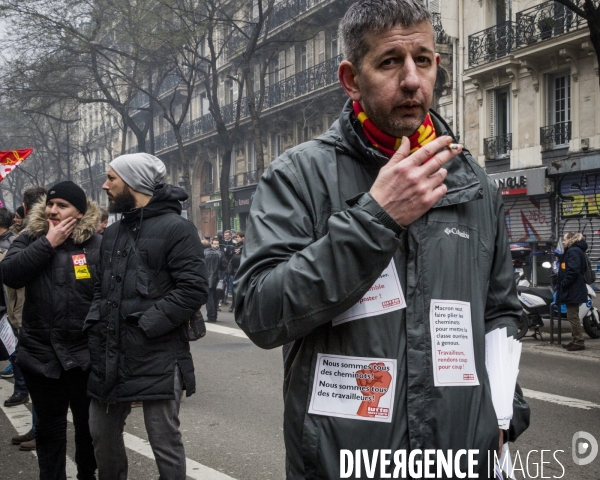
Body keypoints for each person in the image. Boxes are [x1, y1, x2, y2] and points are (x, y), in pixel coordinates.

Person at [234, 1, 528, 477]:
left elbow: (499, 312)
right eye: (390, 62)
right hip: (345, 460)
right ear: (351, 78)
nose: (412, 80)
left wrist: (503, 412)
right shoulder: (299, 174)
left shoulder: (472, 181)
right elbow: (259, 311)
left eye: (424, 60)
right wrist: (378, 217)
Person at [85, 152, 207, 480]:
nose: (105, 185)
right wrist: (94, 322)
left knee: (163, 441)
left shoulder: (178, 229)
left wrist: (146, 324)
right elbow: (101, 288)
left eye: (112, 178)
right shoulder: (112, 233)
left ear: (134, 182)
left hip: (159, 355)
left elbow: (193, 290)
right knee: (101, 432)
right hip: (111, 354)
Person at [2, 181, 101, 479]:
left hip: (84, 357)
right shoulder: (30, 237)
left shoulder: (97, 245)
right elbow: (10, 274)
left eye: (62, 206)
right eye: (50, 204)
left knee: (88, 431)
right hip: (40, 356)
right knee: (49, 432)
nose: (53, 211)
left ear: (79, 212)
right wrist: (48, 243)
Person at [4, 186, 48, 451]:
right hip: (24, 315)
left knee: (40, 379)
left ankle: (40, 430)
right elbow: (10, 272)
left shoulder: (39, 236)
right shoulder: (27, 237)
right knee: (36, 377)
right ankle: (37, 429)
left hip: (31, 316)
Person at [557, 232, 589, 351]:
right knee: (572, 315)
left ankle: (579, 342)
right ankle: (575, 340)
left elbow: (573, 270)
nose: (563, 242)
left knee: (572, 316)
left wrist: (564, 282)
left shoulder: (574, 251)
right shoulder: (575, 250)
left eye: (564, 240)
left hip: (573, 288)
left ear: (570, 239)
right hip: (573, 288)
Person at [205, 236, 227, 322]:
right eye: (215, 244)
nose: (216, 245)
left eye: (217, 244)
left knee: (209, 299)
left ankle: (211, 317)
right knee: (215, 298)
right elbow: (224, 266)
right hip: (217, 278)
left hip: (207, 278)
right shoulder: (221, 253)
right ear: (211, 244)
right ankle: (214, 316)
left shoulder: (205, 252)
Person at [228, 232, 244, 313]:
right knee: (235, 289)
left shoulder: (245, 247)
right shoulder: (236, 246)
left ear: (243, 238)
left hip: (241, 270)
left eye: (238, 237)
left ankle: (238, 305)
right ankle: (234, 304)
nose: (236, 239)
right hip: (235, 270)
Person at [220, 230, 235, 305]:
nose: (225, 236)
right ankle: (222, 298)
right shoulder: (221, 243)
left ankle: (225, 298)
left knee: (228, 282)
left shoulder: (233, 244)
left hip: (229, 265)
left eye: (226, 235)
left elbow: (233, 254)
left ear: (230, 235)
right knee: (223, 282)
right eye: (224, 235)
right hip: (222, 266)